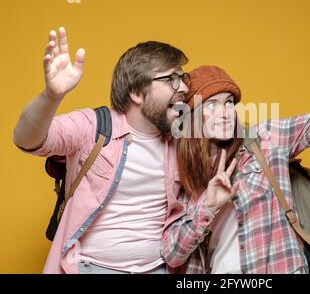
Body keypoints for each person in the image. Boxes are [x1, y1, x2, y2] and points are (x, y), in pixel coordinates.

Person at [161, 24, 310, 274]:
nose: (224, 113)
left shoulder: (264, 140)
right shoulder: (178, 170)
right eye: (211, 106)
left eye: (229, 103)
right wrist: (207, 206)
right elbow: (173, 254)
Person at [13, 27, 190, 274]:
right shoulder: (93, 126)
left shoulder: (181, 139)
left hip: (158, 268)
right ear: (137, 93)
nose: (183, 87)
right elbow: (26, 139)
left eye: (184, 78)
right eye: (172, 79)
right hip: (92, 268)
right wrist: (51, 96)